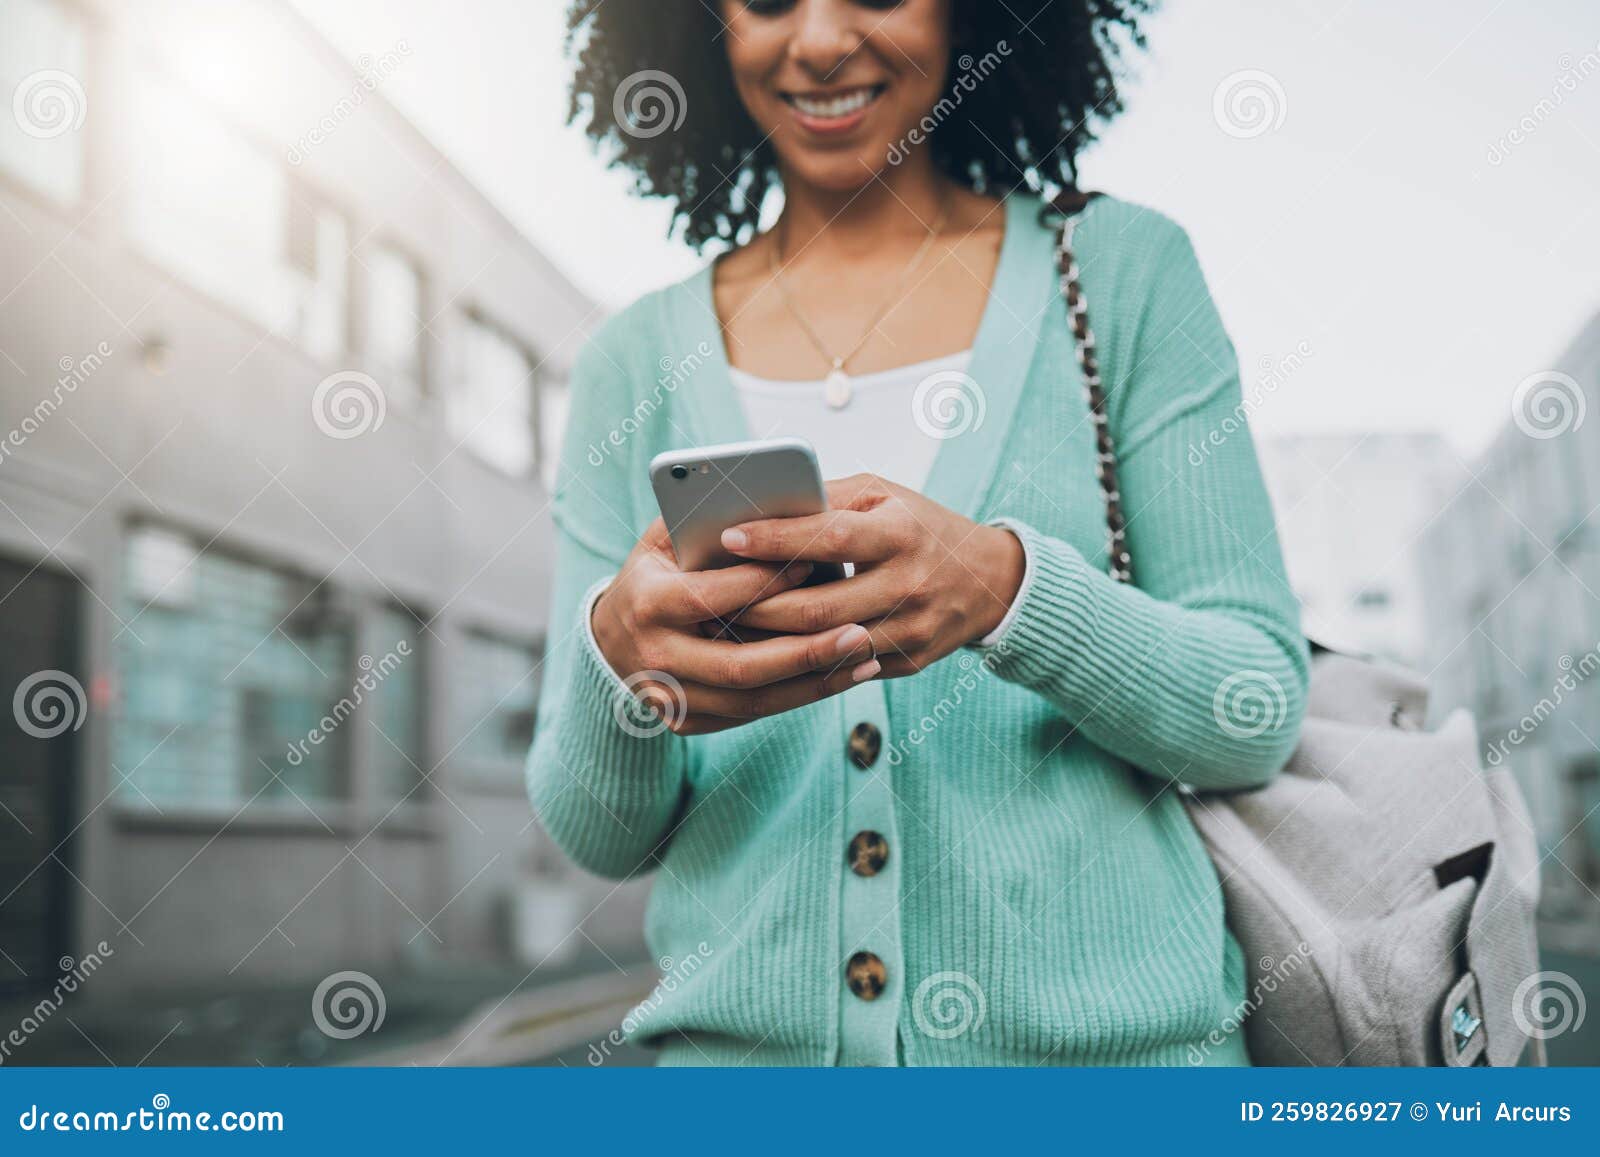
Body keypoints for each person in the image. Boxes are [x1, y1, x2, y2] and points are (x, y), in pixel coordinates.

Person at [528, 0, 1309, 1066]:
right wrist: (620, 665)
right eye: (764, 2)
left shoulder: (1121, 274)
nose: (815, 41)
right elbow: (597, 835)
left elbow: (1254, 707)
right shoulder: (632, 360)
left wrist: (1009, 591)